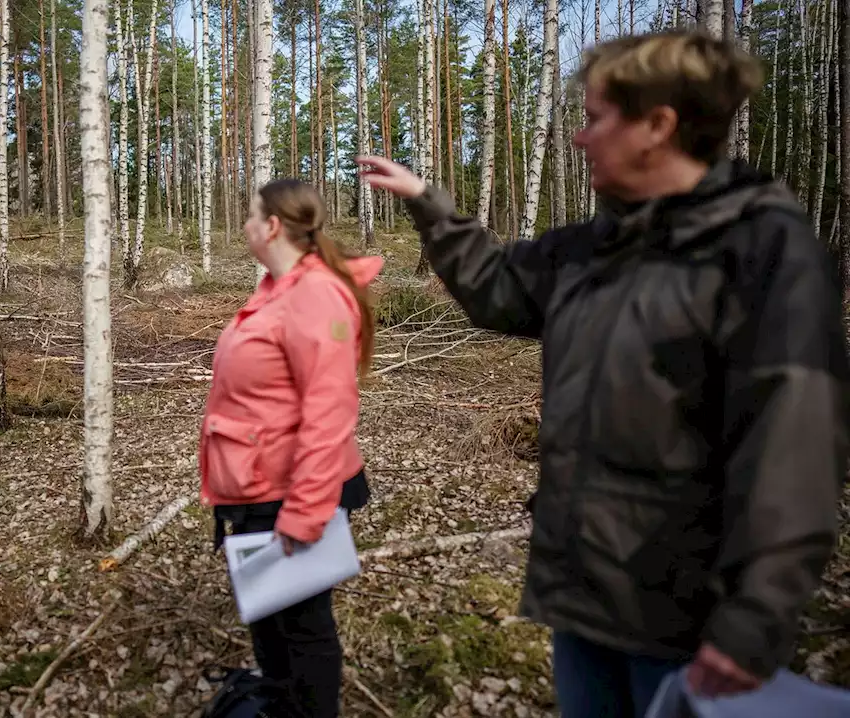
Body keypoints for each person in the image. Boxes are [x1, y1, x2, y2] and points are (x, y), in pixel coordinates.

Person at [358, 30, 849, 718]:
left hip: (689, 621)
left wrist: (754, 620)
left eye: (596, 119)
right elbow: (498, 288)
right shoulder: (596, 247)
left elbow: (794, 451)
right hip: (587, 595)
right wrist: (426, 201)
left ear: (658, 126)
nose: (581, 139)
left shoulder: (764, 254)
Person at [199, 179, 381, 718]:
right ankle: (280, 706)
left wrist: (305, 514)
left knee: (303, 627)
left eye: (251, 216)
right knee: (269, 616)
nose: (244, 226)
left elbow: (329, 415)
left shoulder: (315, 293)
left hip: (290, 492)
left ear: (272, 226)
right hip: (256, 484)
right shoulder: (277, 286)